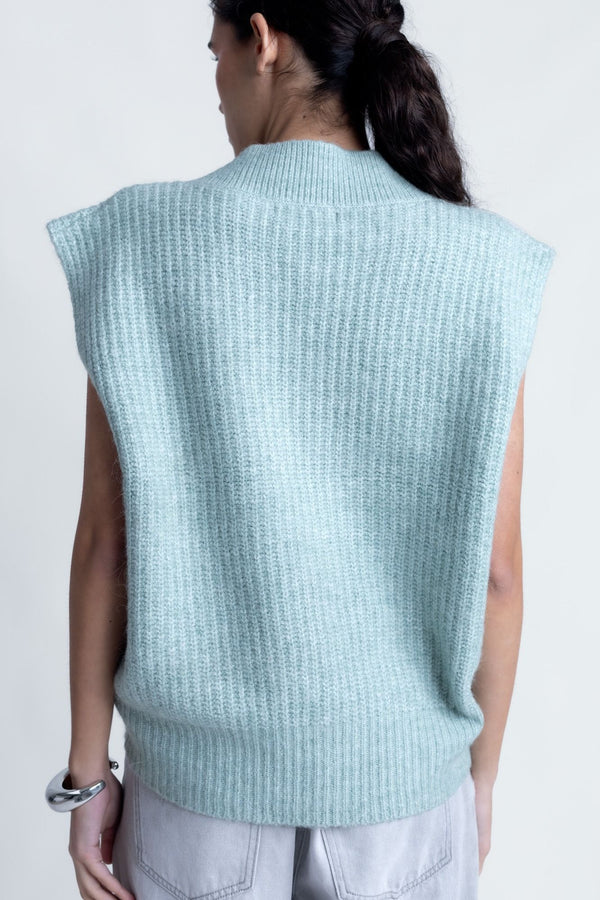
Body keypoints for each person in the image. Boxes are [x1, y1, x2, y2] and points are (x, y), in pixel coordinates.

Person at [44, 2, 556, 899]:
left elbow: (106, 548)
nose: (216, 86)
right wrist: (477, 781)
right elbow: (498, 574)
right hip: (406, 805)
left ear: (264, 39)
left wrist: (89, 780)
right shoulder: (485, 264)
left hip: (196, 805)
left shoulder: (139, 244)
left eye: (216, 51)